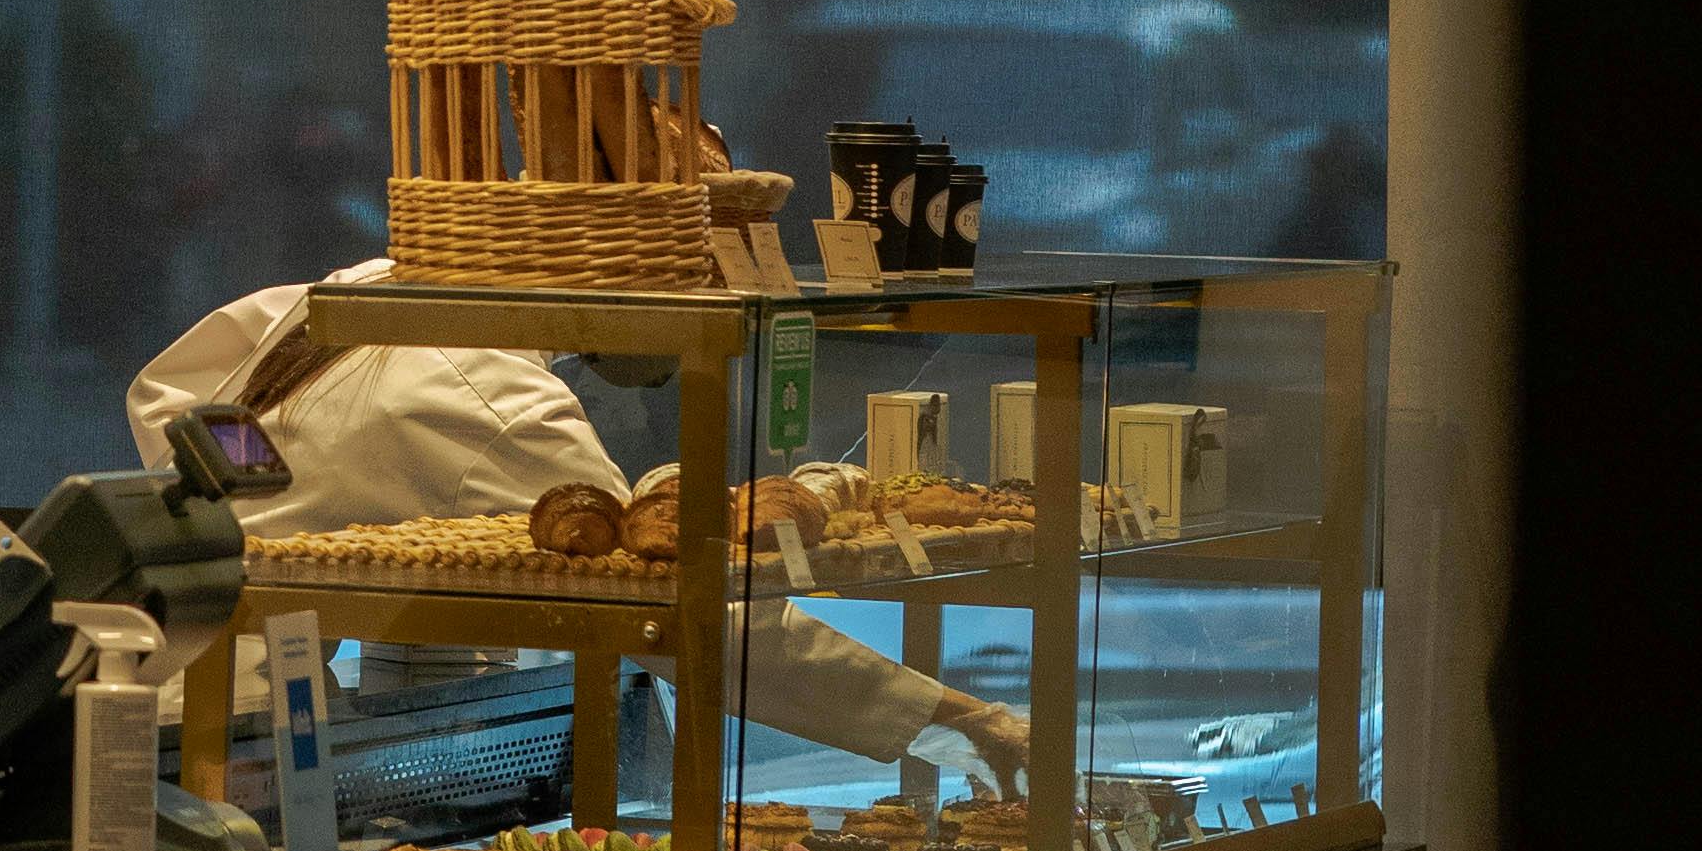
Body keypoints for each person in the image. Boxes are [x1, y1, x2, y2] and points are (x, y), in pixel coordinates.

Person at [128, 259, 1027, 780]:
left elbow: (164, 397)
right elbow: (696, 624)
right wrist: (961, 718)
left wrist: (290, 520)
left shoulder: (373, 283)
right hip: (235, 742)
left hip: (155, 684)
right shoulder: (496, 401)